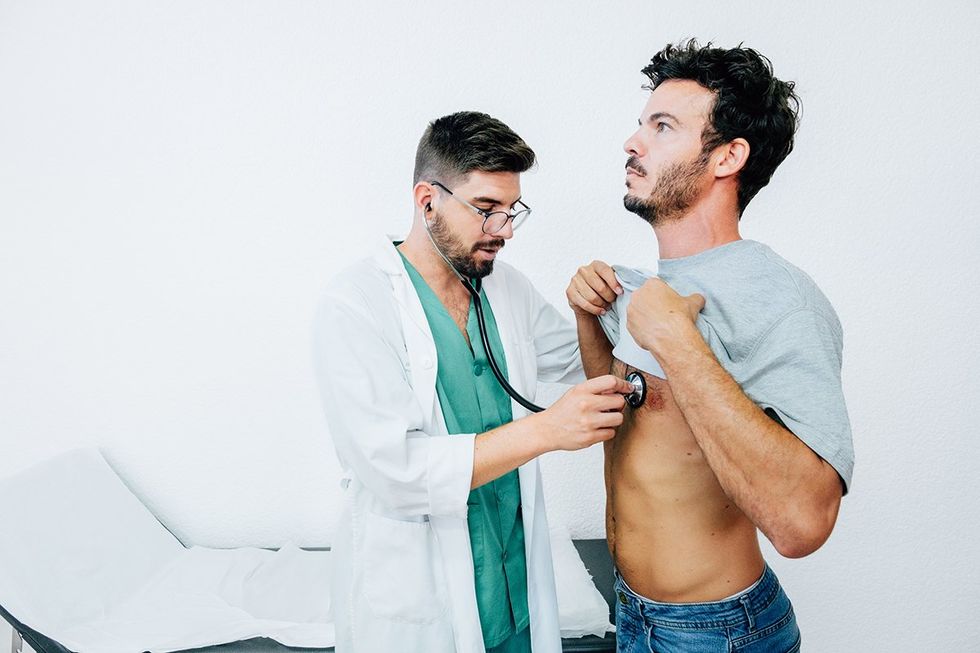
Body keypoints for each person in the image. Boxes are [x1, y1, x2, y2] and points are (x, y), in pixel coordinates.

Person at [566, 41, 854, 652]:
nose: (632, 142)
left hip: (719, 633)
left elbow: (804, 523)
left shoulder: (782, 302)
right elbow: (629, 426)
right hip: (635, 616)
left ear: (728, 157)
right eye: (642, 122)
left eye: (662, 127)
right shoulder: (652, 288)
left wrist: (678, 342)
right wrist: (590, 321)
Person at [313, 111, 633, 653]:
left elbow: (583, 360)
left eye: (512, 212)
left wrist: (588, 307)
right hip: (422, 601)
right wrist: (548, 431)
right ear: (427, 199)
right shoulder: (355, 305)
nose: (503, 230)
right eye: (486, 209)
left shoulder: (506, 289)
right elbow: (396, 472)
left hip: (514, 593)